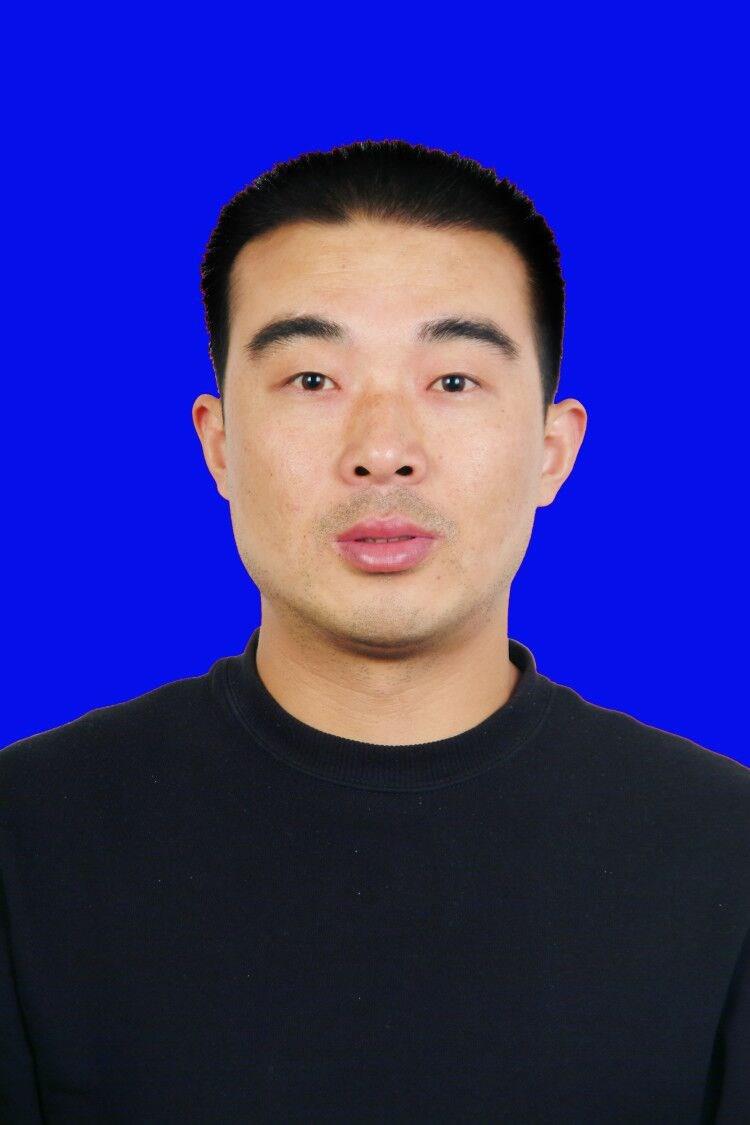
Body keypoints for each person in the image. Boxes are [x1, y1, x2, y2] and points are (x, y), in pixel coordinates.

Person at [1, 139, 747, 1123]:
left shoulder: (725, 855)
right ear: (219, 444)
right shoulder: (26, 840)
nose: (383, 452)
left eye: (453, 381)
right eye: (314, 379)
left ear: (553, 449)